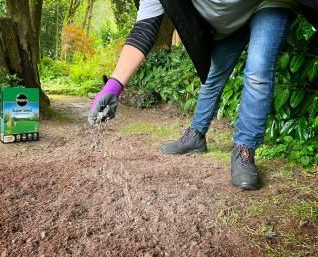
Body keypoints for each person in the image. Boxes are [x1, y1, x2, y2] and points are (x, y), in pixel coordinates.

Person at [88, 0, 299, 190]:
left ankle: (244, 150)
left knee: (258, 71)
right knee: (212, 76)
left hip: (269, 4)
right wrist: (113, 87)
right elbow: (144, 29)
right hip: (229, 24)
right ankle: (196, 136)